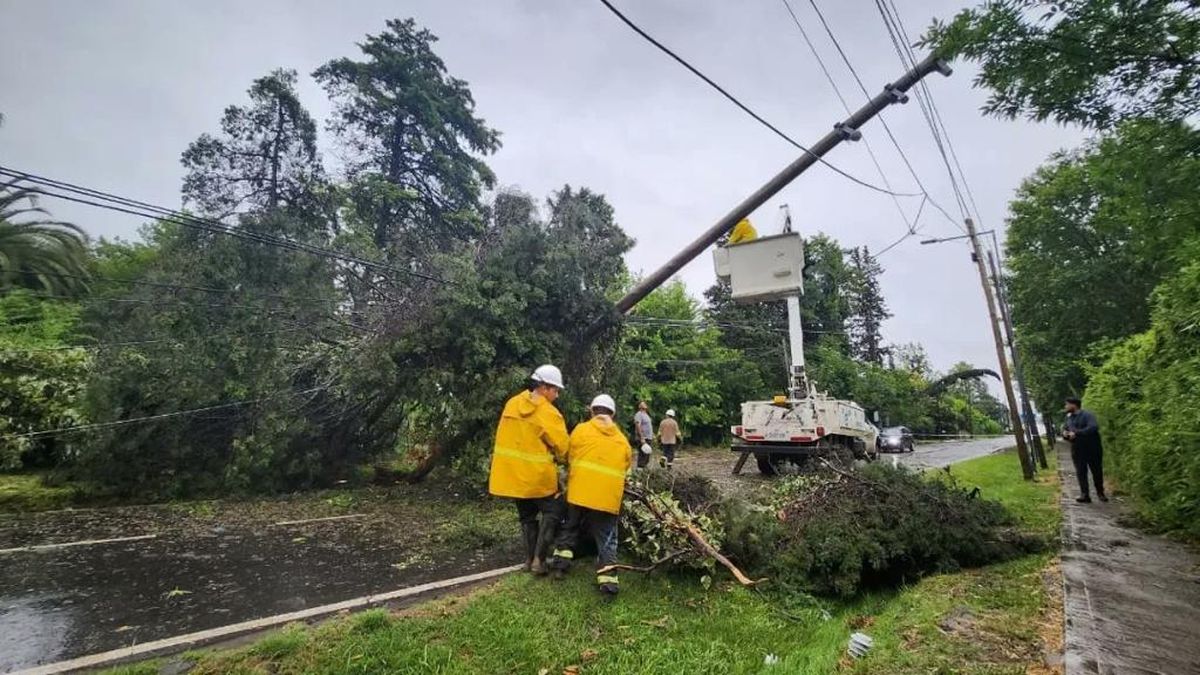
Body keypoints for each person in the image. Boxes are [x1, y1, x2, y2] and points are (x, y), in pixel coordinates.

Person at [488, 364, 570, 575]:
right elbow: (562, 448)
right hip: (538, 478)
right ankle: (539, 561)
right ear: (544, 387)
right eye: (555, 390)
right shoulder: (548, 413)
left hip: (514, 477)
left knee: (527, 517)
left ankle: (527, 560)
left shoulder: (512, 404)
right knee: (554, 511)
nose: (557, 395)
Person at [548, 394, 632, 599]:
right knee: (607, 539)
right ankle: (609, 586)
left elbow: (569, 456)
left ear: (592, 411)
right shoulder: (622, 440)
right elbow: (627, 466)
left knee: (571, 527)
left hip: (579, 493)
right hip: (607, 498)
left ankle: (560, 566)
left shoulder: (580, 430)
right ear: (613, 414)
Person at [1063, 397, 1107, 503]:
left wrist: (1077, 433)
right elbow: (1066, 429)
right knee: (1080, 472)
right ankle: (1085, 494)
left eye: (1067, 404)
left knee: (1096, 471)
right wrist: (1065, 434)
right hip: (1077, 449)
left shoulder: (1087, 415)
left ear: (1074, 405)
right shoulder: (1069, 418)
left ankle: (1100, 493)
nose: (1065, 407)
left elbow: (1093, 427)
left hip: (1092, 447)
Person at [633, 401, 654, 469]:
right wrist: (641, 437)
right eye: (642, 403)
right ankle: (639, 470)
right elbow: (638, 425)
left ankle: (644, 470)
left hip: (648, 437)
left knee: (647, 455)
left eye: (645, 403)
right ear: (639, 406)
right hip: (643, 438)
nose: (645, 404)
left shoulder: (646, 415)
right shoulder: (639, 414)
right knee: (642, 454)